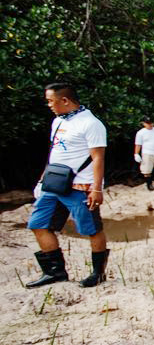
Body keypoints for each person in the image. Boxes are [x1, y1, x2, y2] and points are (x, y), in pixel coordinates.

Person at [26, 83, 109, 289]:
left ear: (65, 100)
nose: (49, 105)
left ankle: (97, 273)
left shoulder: (91, 123)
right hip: (53, 184)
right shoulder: (58, 122)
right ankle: (55, 272)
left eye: (50, 100)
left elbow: (98, 158)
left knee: (91, 229)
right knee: (38, 224)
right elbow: (55, 154)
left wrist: (97, 188)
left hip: (80, 185)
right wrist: (41, 180)